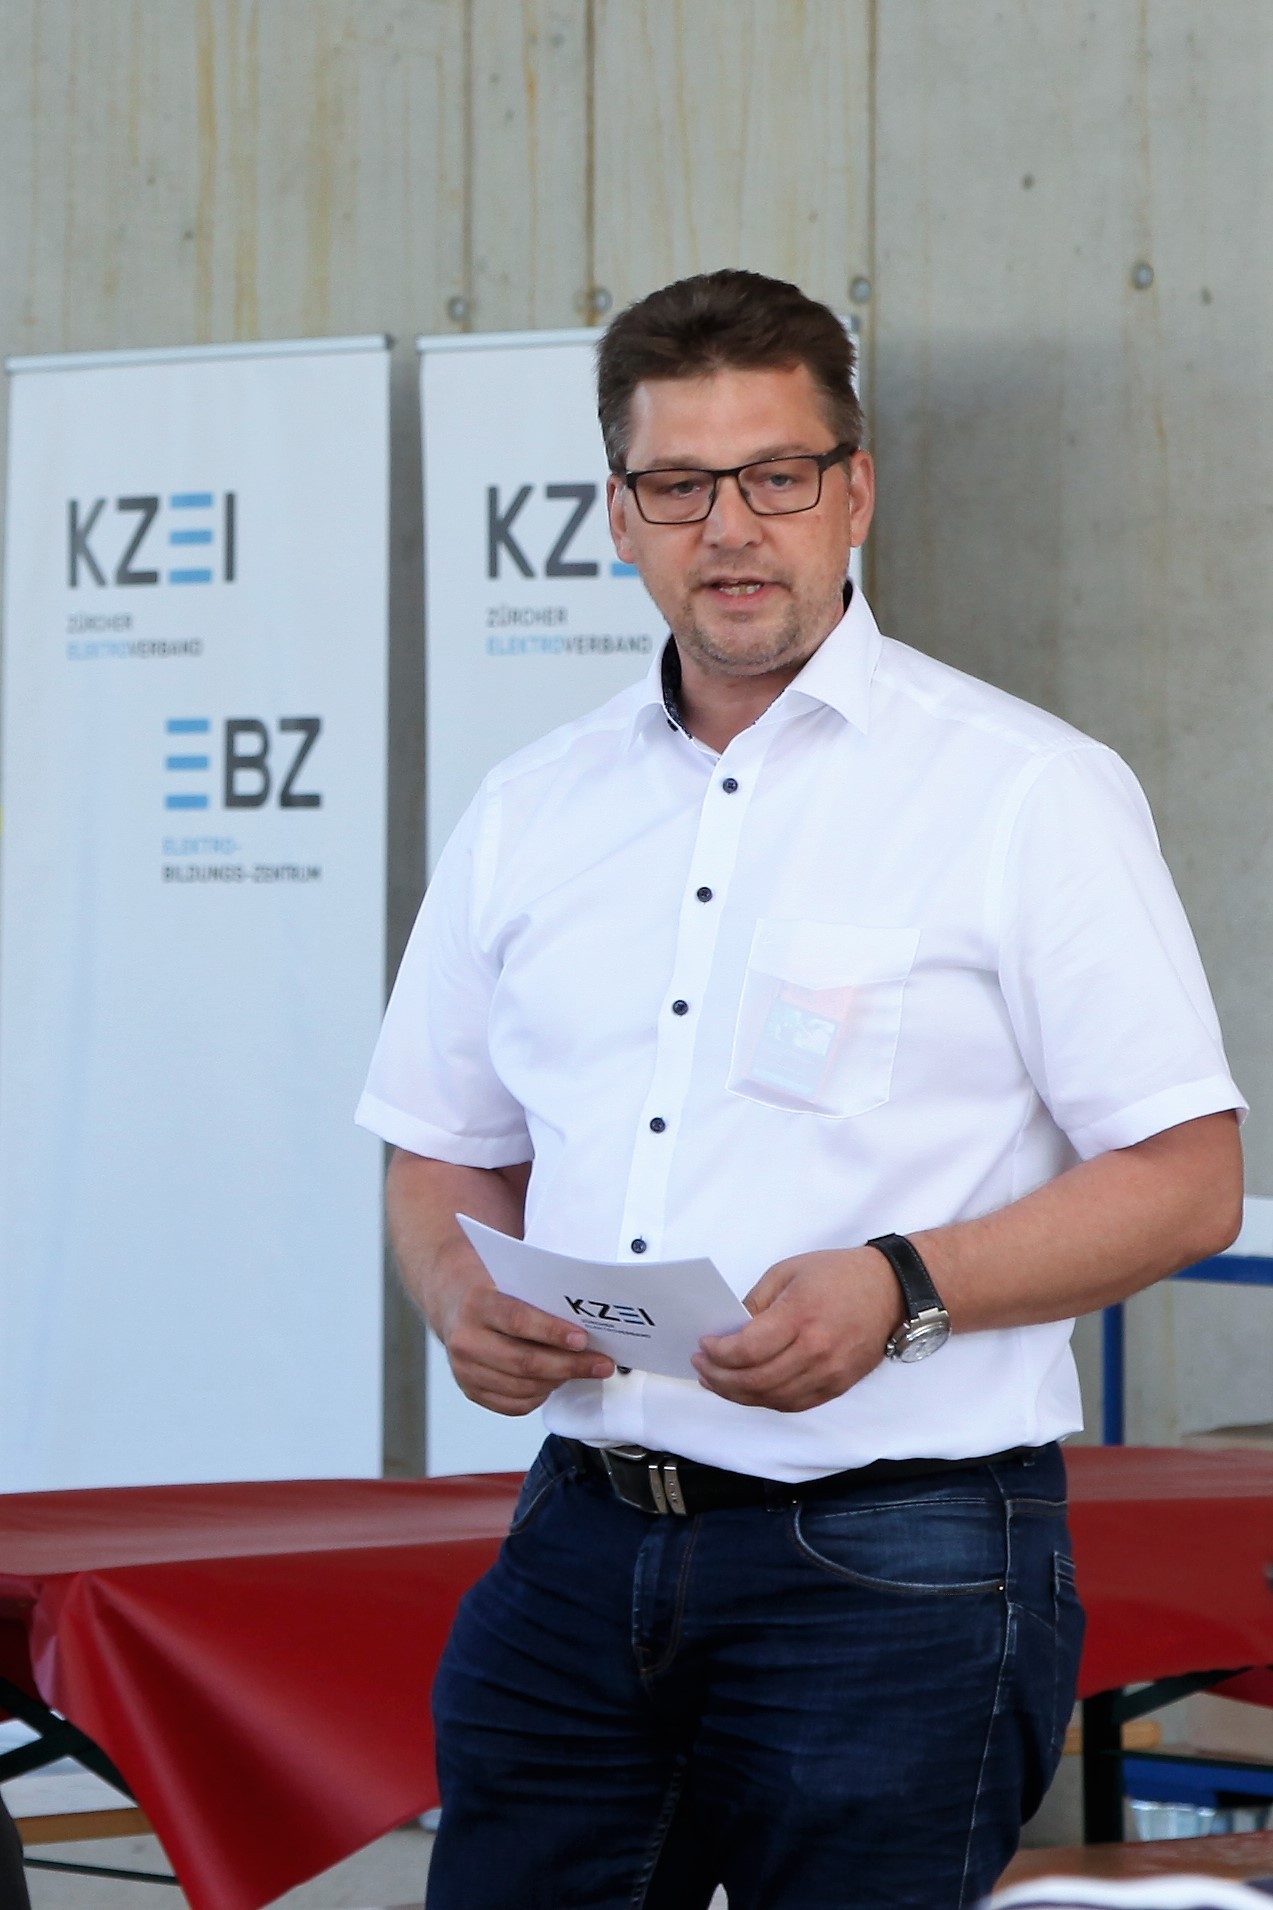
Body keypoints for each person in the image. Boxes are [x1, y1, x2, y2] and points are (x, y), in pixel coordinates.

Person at [357, 269, 1245, 1909]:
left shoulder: (1024, 791)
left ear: (854, 491)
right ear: (617, 514)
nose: (730, 529)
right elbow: (441, 1149)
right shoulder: (530, 806)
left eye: (775, 475)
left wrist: (902, 1282)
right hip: (577, 1541)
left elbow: (1185, 1176)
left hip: (897, 1562)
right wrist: (455, 1294)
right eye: (677, 485)